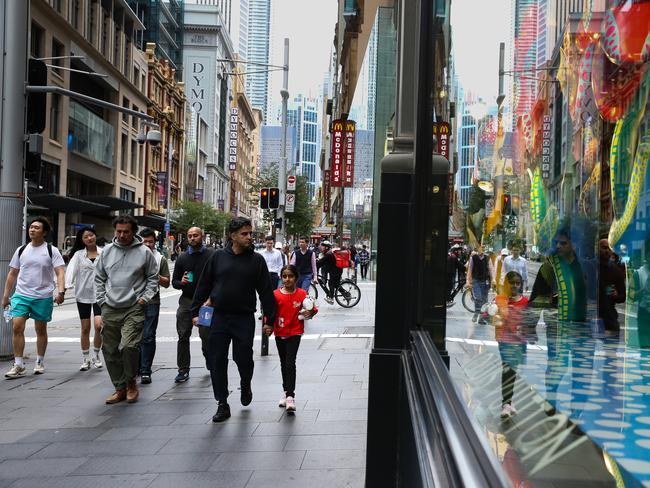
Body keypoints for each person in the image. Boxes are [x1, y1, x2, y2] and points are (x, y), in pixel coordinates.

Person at [191, 217, 277, 423]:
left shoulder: (257, 260)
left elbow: (266, 292)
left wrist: (269, 320)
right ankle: (222, 403)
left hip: (243, 318)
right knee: (217, 359)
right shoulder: (217, 257)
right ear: (232, 236)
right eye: (244, 234)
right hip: (218, 317)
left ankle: (245, 383)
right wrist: (195, 311)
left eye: (250, 233)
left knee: (244, 359)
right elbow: (203, 285)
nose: (249, 237)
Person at [95, 215, 158, 404]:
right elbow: (99, 277)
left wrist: (144, 298)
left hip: (133, 306)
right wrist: (101, 301)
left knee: (129, 346)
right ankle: (119, 387)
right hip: (110, 306)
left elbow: (153, 277)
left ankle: (131, 382)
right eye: (119, 231)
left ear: (133, 232)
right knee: (110, 349)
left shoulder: (144, 252)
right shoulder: (106, 251)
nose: (122, 235)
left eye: (126, 232)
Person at [3, 217, 66, 378]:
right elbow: (12, 274)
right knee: (17, 326)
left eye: (37, 228)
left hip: (43, 296)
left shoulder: (52, 251)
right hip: (21, 295)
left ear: (44, 232)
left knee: (40, 329)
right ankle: (18, 364)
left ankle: (39, 361)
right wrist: (5, 295)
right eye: (31, 227)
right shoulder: (21, 250)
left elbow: (60, 272)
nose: (32, 230)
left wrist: (61, 291)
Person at [263, 264, 318, 412]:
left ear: (296, 278)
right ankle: (285, 391)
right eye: (285, 276)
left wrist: (310, 313)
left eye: (291, 276)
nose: (287, 279)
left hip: (295, 332)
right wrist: (268, 325)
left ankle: (290, 396)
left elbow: (312, 308)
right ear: (281, 278)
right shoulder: (275, 294)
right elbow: (270, 312)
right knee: (283, 363)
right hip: (280, 333)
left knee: (289, 362)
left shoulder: (301, 294)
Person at [171, 226, 215, 383]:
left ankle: (210, 360)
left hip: (205, 302)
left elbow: (218, 278)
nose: (192, 238)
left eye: (195, 235)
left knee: (206, 335)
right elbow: (174, 282)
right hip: (187, 300)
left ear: (202, 236)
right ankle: (183, 369)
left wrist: (212, 299)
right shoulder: (182, 258)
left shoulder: (212, 255)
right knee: (183, 335)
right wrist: (181, 282)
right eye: (189, 236)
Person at [65, 226, 103, 371]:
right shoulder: (78, 255)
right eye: (85, 237)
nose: (89, 238)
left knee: (99, 326)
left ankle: (96, 355)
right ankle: (86, 358)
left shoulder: (104, 253)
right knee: (85, 328)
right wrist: (65, 287)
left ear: (95, 236)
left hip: (101, 294)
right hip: (83, 295)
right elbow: (71, 272)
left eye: (91, 235)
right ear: (82, 240)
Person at [493, 271, 529, 418]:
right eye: (512, 283)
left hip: (519, 342)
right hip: (504, 341)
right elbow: (494, 320)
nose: (515, 286)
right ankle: (505, 403)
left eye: (518, 283)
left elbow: (529, 323)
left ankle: (508, 402)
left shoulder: (525, 302)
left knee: (512, 371)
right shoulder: (500, 300)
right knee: (507, 370)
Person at [138, 228, 170, 384]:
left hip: (152, 301)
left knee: (148, 336)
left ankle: (145, 370)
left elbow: (166, 283)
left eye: (151, 241)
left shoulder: (160, 259)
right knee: (133, 337)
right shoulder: (133, 256)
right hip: (133, 301)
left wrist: (154, 274)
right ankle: (135, 367)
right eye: (145, 241)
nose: (148, 244)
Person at [598, 238, 626, 333]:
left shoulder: (616, 272)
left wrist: (615, 295)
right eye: (604, 248)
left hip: (609, 320)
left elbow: (622, 297)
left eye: (609, 248)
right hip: (592, 319)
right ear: (597, 248)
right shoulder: (590, 267)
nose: (607, 251)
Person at [467, 245, 490, 324]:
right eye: (480, 247)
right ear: (478, 249)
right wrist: (468, 281)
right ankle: (476, 313)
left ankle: (481, 318)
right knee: (479, 298)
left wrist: (493, 280)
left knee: (484, 300)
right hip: (476, 280)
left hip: (485, 281)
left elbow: (491, 269)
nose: (482, 249)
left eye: (483, 248)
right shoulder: (473, 258)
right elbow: (469, 270)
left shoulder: (487, 258)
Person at [317, 240, 342, 304]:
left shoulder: (329, 254)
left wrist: (314, 266)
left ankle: (331, 298)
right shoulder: (328, 253)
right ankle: (345, 294)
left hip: (336, 271)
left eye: (322, 246)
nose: (321, 247)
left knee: (331, 283)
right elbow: (322, 262)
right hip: (335, 270)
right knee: (336, 285)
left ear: (326, 247)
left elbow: (321, 262)